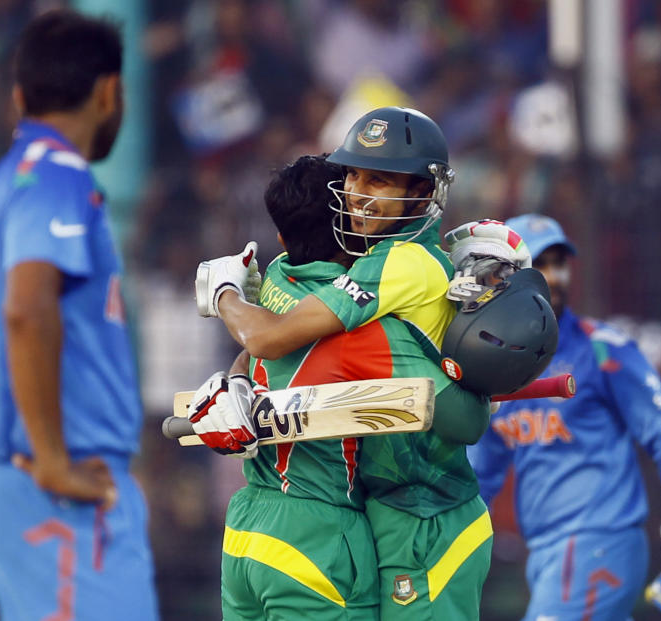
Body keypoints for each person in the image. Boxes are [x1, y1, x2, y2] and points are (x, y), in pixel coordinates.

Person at [192, 108, 497, 618]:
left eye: (378, 179)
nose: (356, 191)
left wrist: (223, 292)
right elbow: (289, 341)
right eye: (353, 174)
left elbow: (272, 338)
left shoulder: (397, 264)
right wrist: (239, 378)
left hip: (430, 513)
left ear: (423, 193)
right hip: (388, 507)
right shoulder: (364, 262)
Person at [0, 10, 158, 620]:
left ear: (18, 98)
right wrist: (52, 461)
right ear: (109, 90)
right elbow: (26, 308)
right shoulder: (60, 176)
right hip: (64, 491)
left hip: (20, 481)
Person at [464, 214, 661, 621]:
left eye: (558, 263)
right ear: (501, 275)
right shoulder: (492, 366)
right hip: (545, 555)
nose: (554, 276)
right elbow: (479, 478)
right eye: (538, 265)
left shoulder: (604, 350)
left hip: (600, 541)